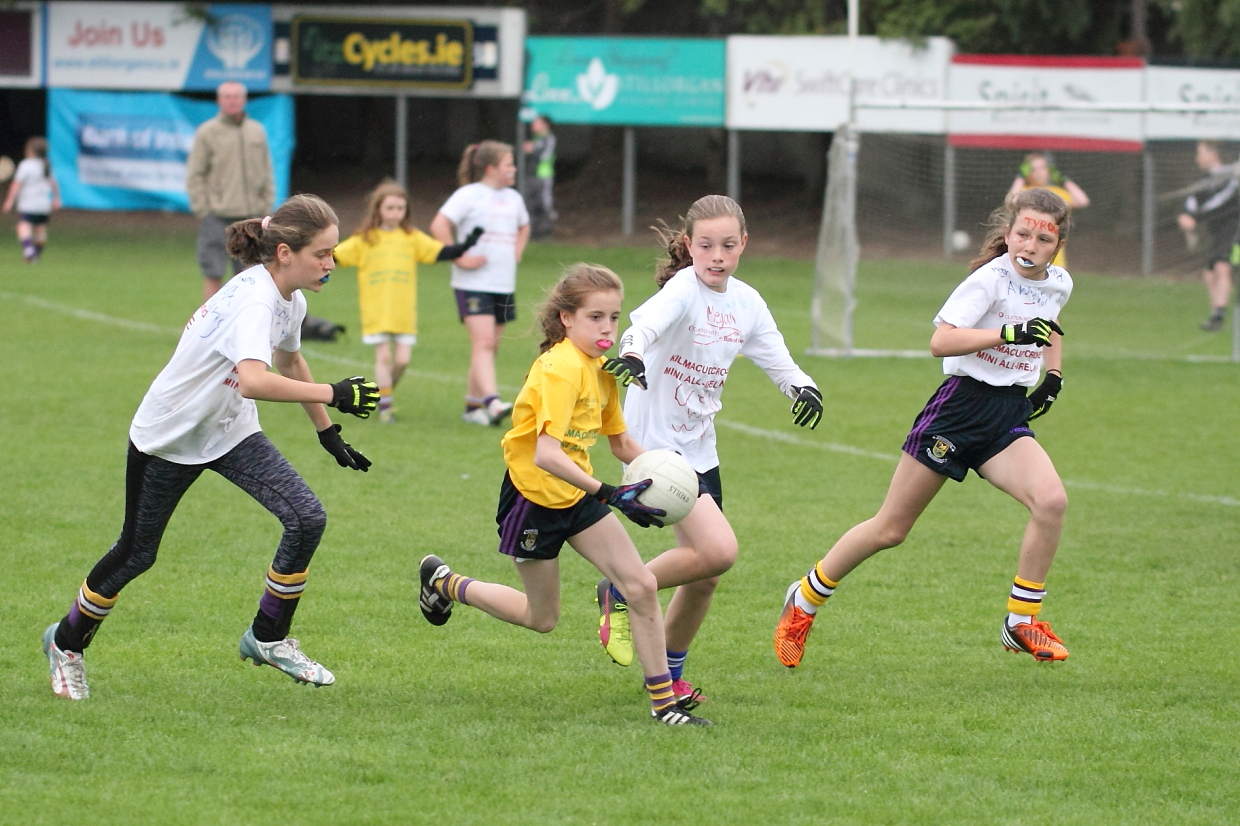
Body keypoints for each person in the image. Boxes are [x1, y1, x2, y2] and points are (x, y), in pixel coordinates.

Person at [40, 194, 380, 701]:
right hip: (169, 437)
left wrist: (326, 432)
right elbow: (253, 381)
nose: (331, 263)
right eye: (322, 253)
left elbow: (290, 362)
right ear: (284, 252)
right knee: (136, 554)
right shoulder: (255, 299)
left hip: (229, 432)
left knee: (306, 517)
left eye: (333, 252)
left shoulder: (292, 299)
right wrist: (334, 392)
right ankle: (65, 644)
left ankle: (268, 637)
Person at [775, 187, 1073, 668]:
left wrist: (1053, 376)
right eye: (1022, 234)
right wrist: (1008, 334)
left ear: (1056, 245)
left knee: (1052, 501)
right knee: (891, 529)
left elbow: (1052, 322)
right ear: (1007, 232)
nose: (1030, 246)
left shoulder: (1059, 282)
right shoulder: (988, 281)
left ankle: (1021, 623)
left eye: (1043, 239)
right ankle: (804, 599)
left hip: (1006, 413)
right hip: (959, 410)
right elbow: (941, 342)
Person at [416, 263, 711, 726]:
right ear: (566, 318)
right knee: (542, 617)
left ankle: (664, 706)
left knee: (641, 584)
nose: (608, 328)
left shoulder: (604, 370)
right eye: (596, 317)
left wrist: (669, 478)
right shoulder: (558, 368)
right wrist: (612, 493)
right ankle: (445, 583)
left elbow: (622, 444)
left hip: (579, 495)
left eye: (614, 317)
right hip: (533, 498)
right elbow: (546, 454)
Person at [594, 194, 824, 700]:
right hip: (655, 449)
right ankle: (624, 586)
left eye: (727, 245)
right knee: (719, 550)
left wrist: (801, 387)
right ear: (688, 246)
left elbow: (776, 357)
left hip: (700, 449)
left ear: (744, 243)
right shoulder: (682, 288)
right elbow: (645, 325)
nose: (716, 256)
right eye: (705, 245)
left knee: (706, 575)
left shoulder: (747, 301)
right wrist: (631, 352)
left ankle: (669, 673)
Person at [333, 180, 487, 423]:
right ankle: (386, 409)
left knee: (403, 360)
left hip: (403, 313)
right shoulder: (366, 239)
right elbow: (336, 256)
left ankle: (384, 393)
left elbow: (439, 251)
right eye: (390, 208)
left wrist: (466, 245)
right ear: (378, 210)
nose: (395, 213)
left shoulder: (411, 237)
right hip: (376, 311)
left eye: (400, 208)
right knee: (384, 357)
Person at [430, 141, 530, 427]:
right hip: (473, 282)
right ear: (491, 168)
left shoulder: (514, 198)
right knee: (483, 343)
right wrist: (459, 258)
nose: (513, 169)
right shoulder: (468, 195)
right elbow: (439, 225)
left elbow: (524, 226)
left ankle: (472, 408)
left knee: (491, 347)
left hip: (503, 283)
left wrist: (518, 250)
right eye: (509, 164)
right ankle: (493, 402)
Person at [186, 81, 275, 302]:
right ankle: (209, 329)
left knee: (250, 275)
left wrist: (265, 206)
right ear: (219, 100)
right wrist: (203, 209)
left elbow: (267, 171)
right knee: (213, 272)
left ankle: (243, 326)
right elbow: (195, 173)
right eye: (227, 96)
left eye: (236, 96)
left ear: (244, 100)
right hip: (218, 217)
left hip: (251, 217)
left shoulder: (257, 131)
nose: (232, 101)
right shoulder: (208, 132)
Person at [1176, 140, 1240, 331]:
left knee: (1222, 266)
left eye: (1200, 152)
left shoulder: (1232, 178)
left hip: (1235, 233)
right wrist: (1185, 215)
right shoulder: (1204, 181)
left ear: (1213, 154)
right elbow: (1191, 200)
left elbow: (1221, 201)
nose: (1197, 157)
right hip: (1219, 234)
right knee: (1210, 273)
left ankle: (1219, 315)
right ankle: (1216, 316)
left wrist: (1196, 217)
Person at [1008, 152, 1089, 268]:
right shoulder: (1024, 193)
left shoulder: (1055, 193)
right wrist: (1020, 178)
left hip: (1053, 259)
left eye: (1042, 168)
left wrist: (1063, 179)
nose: (1039, 172)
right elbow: (1011, 201)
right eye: (1033, 169)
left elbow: (1082, 201)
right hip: (1028, 255)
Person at [2, 136, 61, 263]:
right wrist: (57, 198)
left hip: (29, 204)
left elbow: (16, 184)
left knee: (23, 227)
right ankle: (36, 256)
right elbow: (54, 184)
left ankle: (28, 250)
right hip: (44, 205)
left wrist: (9, 200)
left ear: (29, 151)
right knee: (40, 230)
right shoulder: (47, 165)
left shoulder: (26, 165)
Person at [522, 115, 558, 239]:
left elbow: (543, 156)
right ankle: (533, 232)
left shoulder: (548, 138)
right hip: (532, 176)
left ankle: (546, 232)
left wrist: (531, 151)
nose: (533, 125)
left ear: (545, 125)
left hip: (543, 176)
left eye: (537, 123)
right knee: (529, 203)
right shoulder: (536, 139)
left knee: (544, 203)